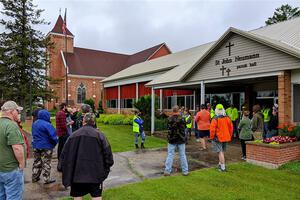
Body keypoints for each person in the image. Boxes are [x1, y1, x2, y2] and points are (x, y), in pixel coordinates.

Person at [59, 113, 114, 200]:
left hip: (78, 175)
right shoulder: (100, 135)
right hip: (94, 174)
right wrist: (106, 167)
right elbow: (108, 156)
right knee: (96, 196)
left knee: (78, 196)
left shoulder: (73, 135)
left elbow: (63, 155)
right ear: (94, 122)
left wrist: (61, 168)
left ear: (83, 122)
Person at [0, 101, 25, 199]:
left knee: (1, 195)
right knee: (13, 197)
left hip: (1, 168)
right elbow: (17, 148)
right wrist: (21, 164)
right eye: (17, 111)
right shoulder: (11, 125)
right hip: (11, 169)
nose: (18, 113)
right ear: (11, 111)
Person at [32, 109, 58, 184]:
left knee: (37, 161)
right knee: (46, 162)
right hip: (46, 146)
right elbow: (53, 136)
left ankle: (35, 176)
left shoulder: (35, 123)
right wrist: (54, 143)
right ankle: (46, 178)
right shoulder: (47, 124)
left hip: (36, 145)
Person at [164, 105, 189, 176]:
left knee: (170, 155)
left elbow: (168, 128)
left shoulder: (169, 119)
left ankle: (167, 171)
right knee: (182, 155)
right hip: (181, 139)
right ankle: (185, 171)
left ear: (172, 111)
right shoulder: (182, 119)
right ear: (178, 110)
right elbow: (185, 128)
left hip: (172, 139)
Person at [210, 104, 233, 172]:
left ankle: (223, 168)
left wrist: (211, 137)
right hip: (225, 137)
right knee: (222, 151)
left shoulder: (215, 118)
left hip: (218, 138)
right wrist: (229, 136)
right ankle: (220, 164)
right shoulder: (227, 118)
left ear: (216, 110)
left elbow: (212, 130)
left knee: (220, 152)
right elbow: (231, 128)